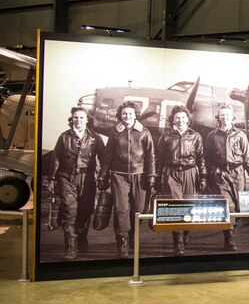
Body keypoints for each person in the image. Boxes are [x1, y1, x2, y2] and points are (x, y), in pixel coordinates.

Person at [98, 101, 156, 258]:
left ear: (135, 115)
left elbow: (150, 157)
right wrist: (102, 175)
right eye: (124, 113)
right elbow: (107, 157)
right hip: (118, 175)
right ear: (120, 115)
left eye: (130, 113)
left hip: (140, 175)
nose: (127, 116)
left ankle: (132, 235)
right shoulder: (114, 133)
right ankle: (122, 241)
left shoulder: (144, 132)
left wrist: (151, 175)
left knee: (139, 209)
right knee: (121, 209)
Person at [45, 107, 104, 260]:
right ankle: (70, 247)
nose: (78, 120)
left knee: (85, 210)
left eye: (81, 118)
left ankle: (82, 240)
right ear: (72, 119)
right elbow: (56, 159)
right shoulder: (64, 137)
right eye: (75, 117)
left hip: (88, 178)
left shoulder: (95, 137)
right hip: (66, 177)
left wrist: (104, 177)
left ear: (87, 120)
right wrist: (51, 179)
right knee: (70, 211)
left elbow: (104, 158)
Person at [204, 104, 249, 251]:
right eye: (222, 115)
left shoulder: (241, 135)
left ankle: (232, 229)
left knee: (239, 207)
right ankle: (229, 237)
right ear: (218, 117)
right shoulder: (212, 136)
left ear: (232, 117)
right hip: (220, 175)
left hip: (238, 174)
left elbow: (247, 157)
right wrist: (207, 176)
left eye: (227, 115)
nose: (225, 117)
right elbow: (207, 158)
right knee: (228, 206)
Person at [156, 105, 207, 255]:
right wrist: (158, 177)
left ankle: (185, 234)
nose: (180, 120)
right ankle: (177, 240)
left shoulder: (196, 136)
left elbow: (201, 158)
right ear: (173, 120)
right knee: (175, 206)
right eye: (177, 117)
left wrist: (203, 177)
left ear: (188, 119)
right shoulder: (165, 136)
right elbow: (159, 158)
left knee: (190, 205)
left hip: (190, 172)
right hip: (171, 173)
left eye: (183, 117)